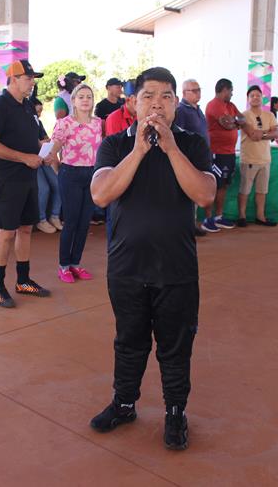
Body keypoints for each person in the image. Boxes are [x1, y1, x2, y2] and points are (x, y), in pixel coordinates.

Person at [88, 66, 216, 451]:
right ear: (133, 103)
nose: (157, 104)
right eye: (148, 96)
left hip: (176, 268)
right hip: (127, 267)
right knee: (129, 341)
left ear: (176, 104)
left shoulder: (192, 143)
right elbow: (102, 194)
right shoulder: (114, 144)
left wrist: (170, 147)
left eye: (165, 97)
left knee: (175, 347)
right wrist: (141, 149)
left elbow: (205, 195)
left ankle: (175, 412)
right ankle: (124, 403)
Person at [0, 59, 51, 308]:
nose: (32, 82)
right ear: (13, 79)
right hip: (7, 177)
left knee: (25, 229)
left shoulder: (28, 107)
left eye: (33, 78)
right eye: (28, 78)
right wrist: (25, 157)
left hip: (28, 176)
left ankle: (23, 280)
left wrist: (45, 149)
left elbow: (32, 140)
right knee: (7, 232)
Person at [45, 83, 102, 283]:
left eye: (89, 96)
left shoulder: (98, 123)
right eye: (81, 97)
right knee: (71, 221)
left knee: (85, 222)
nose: (86, 100)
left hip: (91, 174)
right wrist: (60, 171)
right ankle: (63, 265)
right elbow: (53, 151)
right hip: (70, 173)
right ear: (74, 101)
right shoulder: (65, 123)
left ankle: (75, 263)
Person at [201, 78, 251, 233]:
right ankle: (207, 219)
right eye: (231, 90)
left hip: (229, 153)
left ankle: (218, 216)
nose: (232, 93)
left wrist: (235, 121)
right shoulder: (213, 105)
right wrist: (235, 123)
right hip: (217, 152)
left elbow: (242, 119)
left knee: (224, 185)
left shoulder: (230, 105)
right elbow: (226, 123)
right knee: (213, 184)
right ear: (224, 89)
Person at [238, 85, 278, 226]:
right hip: (249, 158)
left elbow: (276, 134)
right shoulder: (243, 116)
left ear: (263, 98)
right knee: (245, 190)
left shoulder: (270, 115)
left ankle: (260, 217)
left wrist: (262, 134)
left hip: (265, 159)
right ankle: (242, 216)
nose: (255, 97)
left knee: (262, 190)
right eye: (252, 95)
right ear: (248, 99)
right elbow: (253, 136)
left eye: (258, 95)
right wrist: (267, 134)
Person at [175, 78, 211, 236]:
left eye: (199, 89)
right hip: (188, 158)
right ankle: (186, 225)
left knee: (195, 192)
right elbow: (179, 134)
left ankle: (191, 223)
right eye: (194, 90)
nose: (198, 93)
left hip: (200, 157)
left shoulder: (197, 109)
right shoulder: (181, 110)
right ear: (184, 93)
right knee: (188, 191)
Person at [33, 97, 63, 234]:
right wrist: (41, 142)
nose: (39, 114)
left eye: (41, 111)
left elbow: (46, 139)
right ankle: (41, 219)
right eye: (37, 111)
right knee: (43, 188)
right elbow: (41, 140)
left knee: (58, 184)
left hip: (43, 157)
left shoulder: (38, 122)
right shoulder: (25, 122)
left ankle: (55, 216)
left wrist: (42, 142)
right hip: (31, 160)